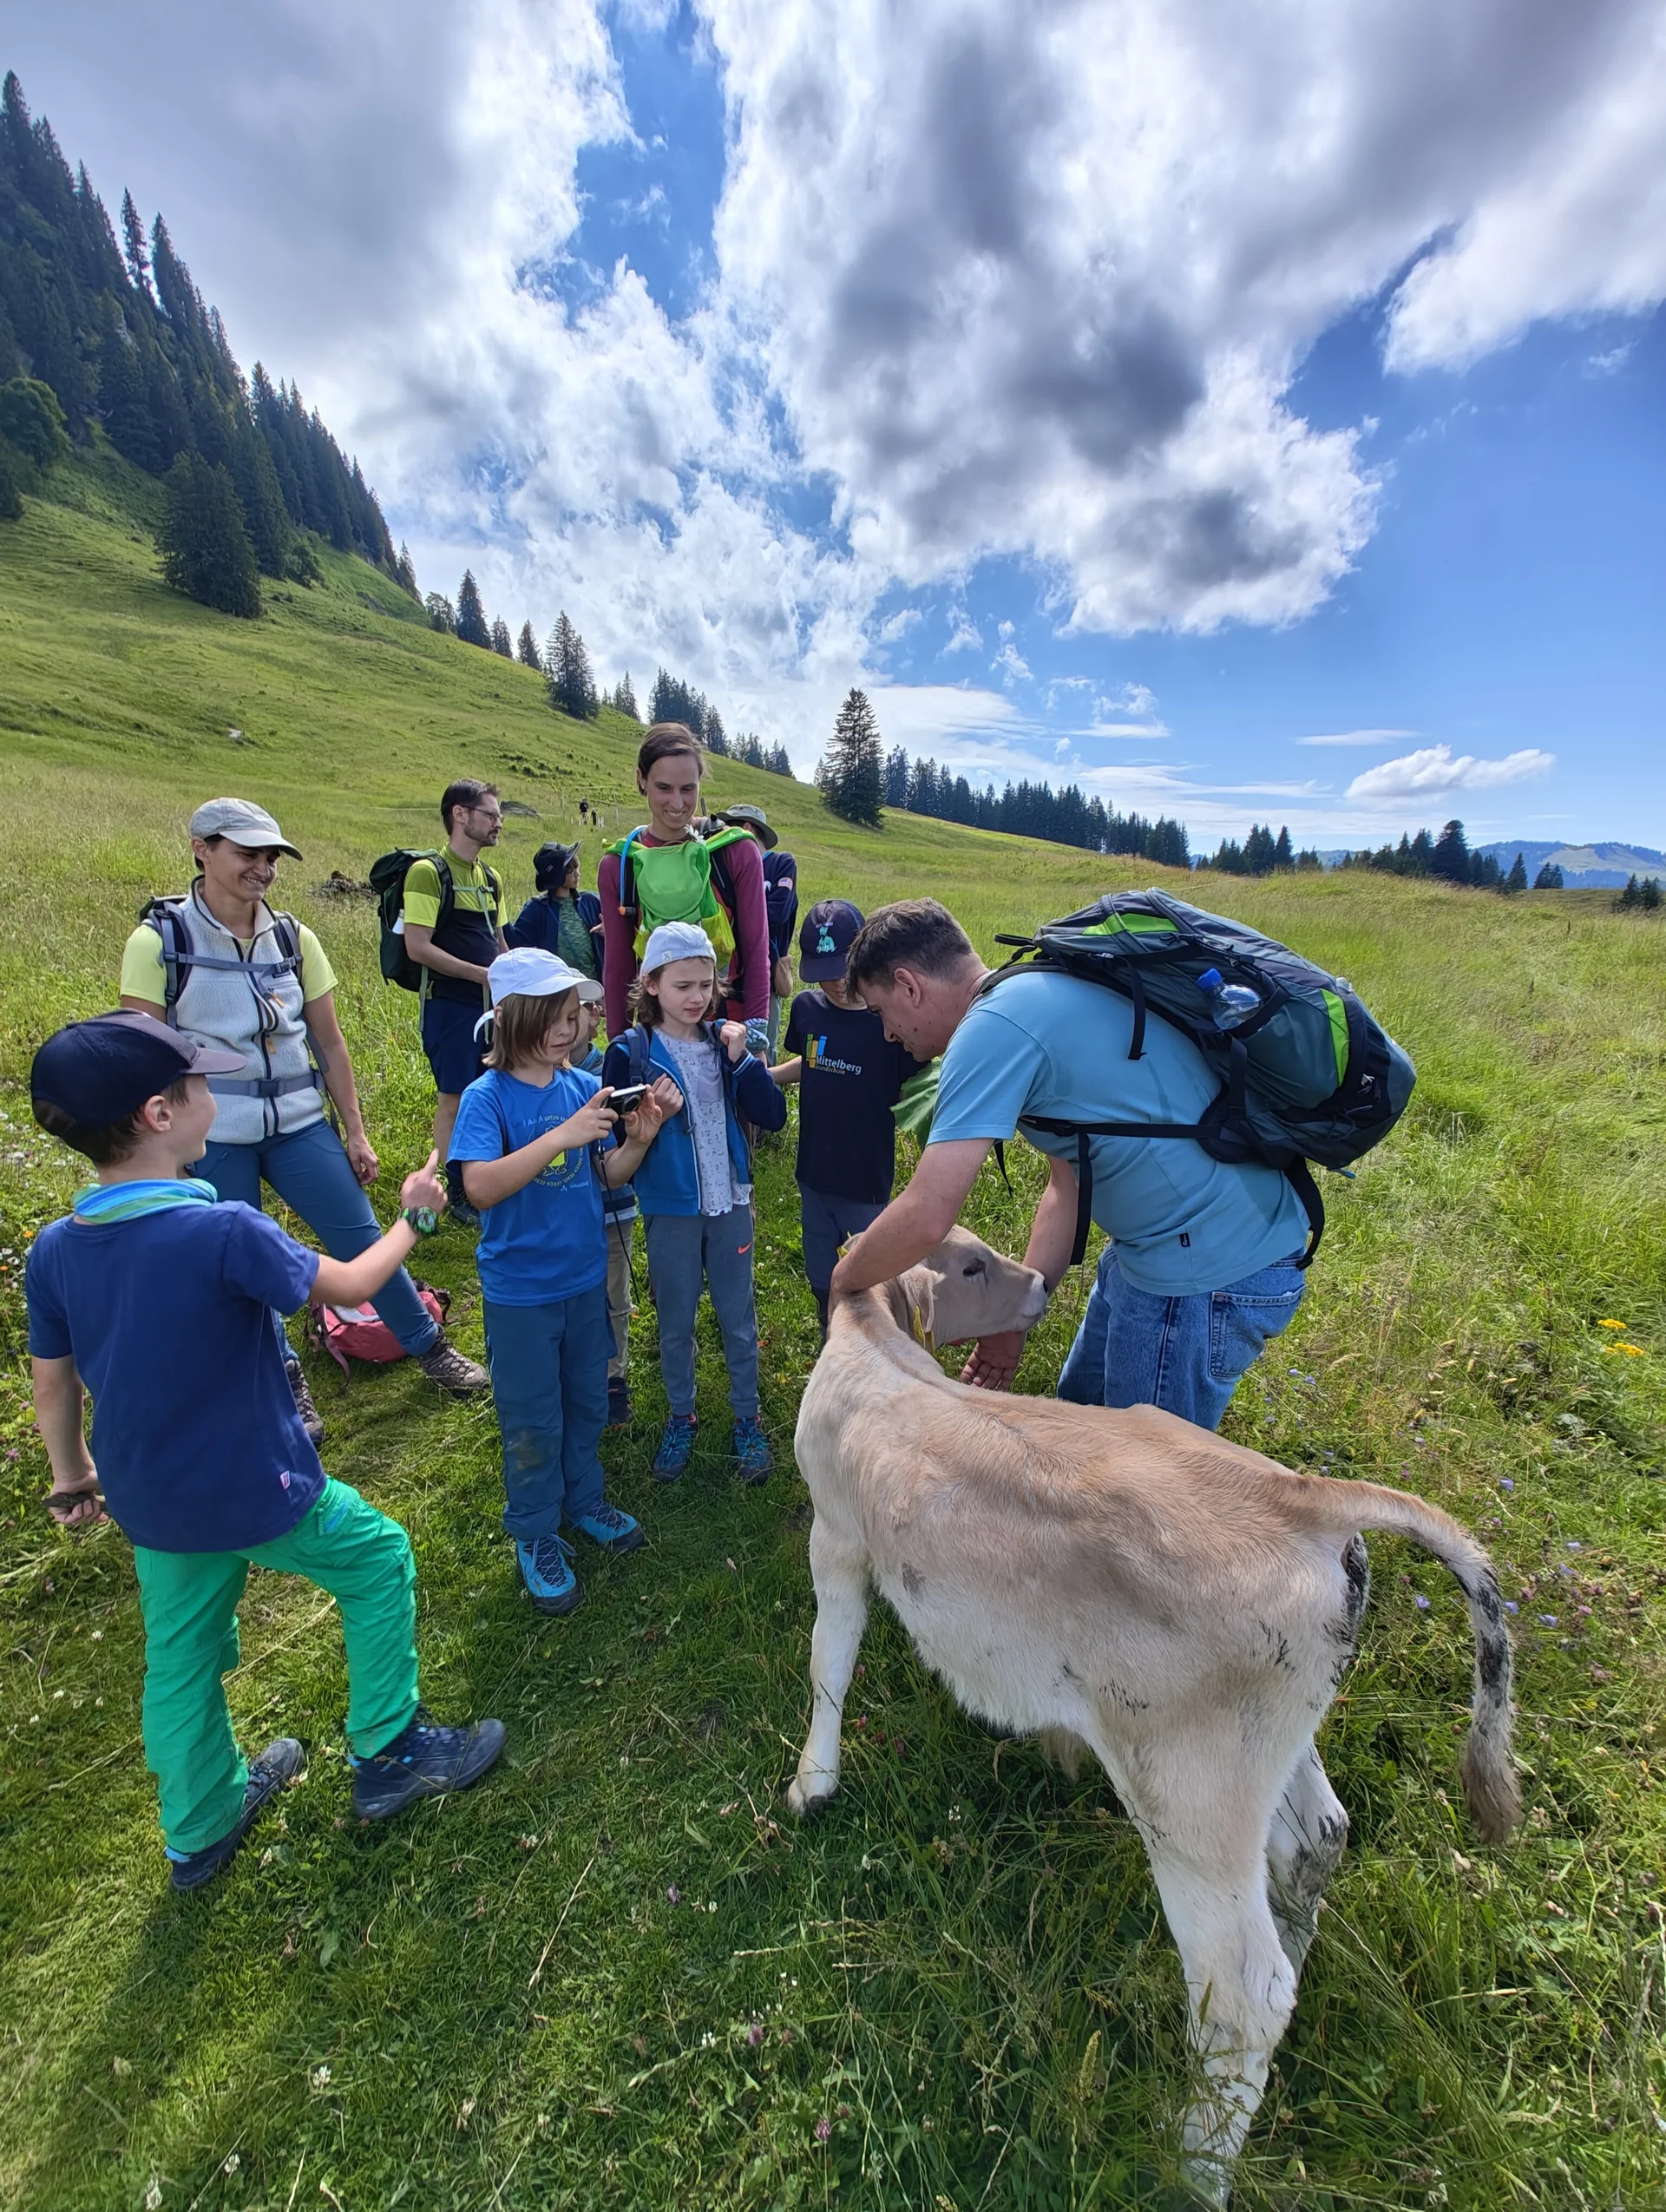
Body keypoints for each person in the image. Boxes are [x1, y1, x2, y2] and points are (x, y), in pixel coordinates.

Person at [25, 1010, 506, 1891]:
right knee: (376, 1558)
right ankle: (391, 1750)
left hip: (149, 1497)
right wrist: (417, 1218)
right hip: (255, 1480)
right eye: (201, 1082)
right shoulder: (223, 1231)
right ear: (160, 1113)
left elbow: (54, 1384)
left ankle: (199, 1827)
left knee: (180, 1653)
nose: (217, 1090)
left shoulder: (56, 1248)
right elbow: (358, 1282)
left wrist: (71, 1478)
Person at [829, 899, 1310, 1430]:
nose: (888, 1034)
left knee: (1137, 1484)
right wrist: (1013, 1320)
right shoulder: (1031, 994)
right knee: (1080, 1417)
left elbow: (927, 1214)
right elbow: (1067, 1187)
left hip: (1202, 1272)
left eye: (880, 1013)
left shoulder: (992, 1029)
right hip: (1158, 1251)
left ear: (909, 985)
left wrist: (843, 1278)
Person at [119, 797, 489, 1439]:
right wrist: (162, 1153)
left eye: (271, 857)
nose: (262, 868)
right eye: (247, 854)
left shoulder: (295, 937)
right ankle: (283, 1378)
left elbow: (330, 1041)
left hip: (297, 1122)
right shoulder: (159, 941)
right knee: (239, 1264)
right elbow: (142, 1052)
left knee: (362, 1236)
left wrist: (354, 1128)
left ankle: (427, 1346)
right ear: (202, 849)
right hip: (210, 1136)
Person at [450, 951, 679, 1618]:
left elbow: (605, 1176)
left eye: (574, 1014)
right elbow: (480, 1187)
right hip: (520, 1294)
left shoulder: (581, 1086)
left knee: (586, 1399)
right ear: (514, 1018)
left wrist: (639, 1139)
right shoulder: (486, 1098)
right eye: (553, 1015)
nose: (569, 1027)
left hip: (584, 1282)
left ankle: (584, 1501)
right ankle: (534, 1530)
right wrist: (561, 1135)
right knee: (531, 1416)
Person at [601, 922, 787, 1484]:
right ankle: (681, 1415)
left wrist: (742, 1059)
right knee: (675, 1321)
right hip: (670, 1210)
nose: (698, 996)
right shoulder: (630, 1054)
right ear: (650, 983)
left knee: (738, 1317)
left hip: (729, 1201)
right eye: (683, 984)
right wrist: (647, 1125)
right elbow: (612, 1146)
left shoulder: (722, 1042)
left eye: (706, 983)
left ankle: (747, 1418)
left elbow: (773, 1115)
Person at [771, 898, 922, 1335]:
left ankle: (877, 1339)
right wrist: (766, 1076)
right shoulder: (807, 1010)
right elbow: (811, 1063)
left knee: (870, 1274)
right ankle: (830, 1330)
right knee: (822, 1271)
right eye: (823, 973)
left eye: (842, 969)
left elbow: (909, 1092)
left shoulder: (890, 1024)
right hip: (814, 1171)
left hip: (864, 1179)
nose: (835, 984)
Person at [599, 726, 771, 1045]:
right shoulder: (619, 865)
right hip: (659, 1040)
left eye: (688, 789)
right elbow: (619, 968)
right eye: (664, 787)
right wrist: (619, 1048)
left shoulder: (735, 851)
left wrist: (757, 1037)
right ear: (641, 780)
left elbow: (756, 949)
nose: (677, 803)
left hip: (730, 1035)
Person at [400, 778, 510, 1227]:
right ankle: (455, 1189)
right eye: (490, 814)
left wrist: (511, 983)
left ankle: (487, 1178)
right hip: (449, 1004)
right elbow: (418, 947)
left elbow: (500, 942)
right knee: (455, 1097)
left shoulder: (490, 878)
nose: (498, 823)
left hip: (491, 1006)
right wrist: (481, 975)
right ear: (460, 815)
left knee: (493, 1091)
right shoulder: (428, 872)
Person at [576, 989, 640, 1428]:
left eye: (597, 1007)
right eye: (582, 1009)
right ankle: (581, 1376)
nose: (597, 1013)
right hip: (569, 1219)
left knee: (615, 1294)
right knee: (581, 1300)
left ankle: (613, 1377)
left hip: (615, 1209)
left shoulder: (607, 1069)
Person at [714, 803, 797, 1055]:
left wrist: (742, 918)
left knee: (762, 1044)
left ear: (748, 829)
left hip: (767, 974)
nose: (723, 835)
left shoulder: (781, 863)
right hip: (729, 973)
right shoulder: (724, 865)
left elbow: (779, 912)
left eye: (730, 828)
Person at [506, 841, 604, 981]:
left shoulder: (592, 901)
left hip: (596, 985)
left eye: (577, 868)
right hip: (558, 989)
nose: (578, 874)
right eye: (571, 871)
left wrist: (610, 928)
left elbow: (618, 925)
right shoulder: (536, 909)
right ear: (556, 876)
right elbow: (517, 943)